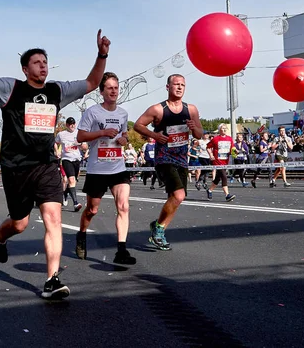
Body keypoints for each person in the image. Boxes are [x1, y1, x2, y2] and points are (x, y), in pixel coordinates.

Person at [0, 22, 111, 299]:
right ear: (25, 69)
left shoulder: (58, 91)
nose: (43, 67)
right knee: (19, 224)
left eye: (45, 62)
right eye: (37, 63)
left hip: (46, 165)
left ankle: (52, 279)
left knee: (53, 219)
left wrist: (102, 55)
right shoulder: (11, 88)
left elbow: (93, 82)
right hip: (15, 167)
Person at [133, 74, 203, 250]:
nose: (179, 87)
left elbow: (199, 134)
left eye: (182, 85)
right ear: (167, 87)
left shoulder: (191, 109)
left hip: (181, 159)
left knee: (178, 197)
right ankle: (159, 231)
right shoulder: (158, 109)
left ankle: (159, 227)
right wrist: (155, 135)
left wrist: (195, 129)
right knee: (179, 195)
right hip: (164, 158)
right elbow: (138, 125)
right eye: (176, 84)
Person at [75, 72, 136, 265]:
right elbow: (80, 137)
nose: (113, 91)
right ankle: (82, 234)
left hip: (117, 168)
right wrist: (102, 133)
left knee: (124, 206)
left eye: (116, 88)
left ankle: (121, 250)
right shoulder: (92, 112)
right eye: (109, 87)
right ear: (101, 91)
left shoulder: (123, 113)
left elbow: (125, 136)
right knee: (92, 210)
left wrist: (123, 139)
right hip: (97, 169)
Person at [54, 117, 83, 212]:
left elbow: (85, 146)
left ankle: (65, 193)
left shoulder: (79, 133)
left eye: (74, 123)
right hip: (66, 159)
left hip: (77, 159)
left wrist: (80, 144)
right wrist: (56, 151)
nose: (72, 125)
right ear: (66, 125)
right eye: (70, 124)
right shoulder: (61, 134)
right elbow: (55, 142)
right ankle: (75, 203)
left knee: (73, 182)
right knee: (71, 179)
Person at [206, 124, 236, 201]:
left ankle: (209, 190)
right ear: (219, 130)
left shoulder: (229, 139)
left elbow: (232, 149)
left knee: (217, 178)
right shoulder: (215, 139)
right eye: (223, 128)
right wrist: (211, 155)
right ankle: (227, 195)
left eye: (225, 128)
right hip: (217, 161)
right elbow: (208, 147)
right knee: (224, 176)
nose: (224, 129)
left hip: (225, 161)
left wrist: (235, 152)